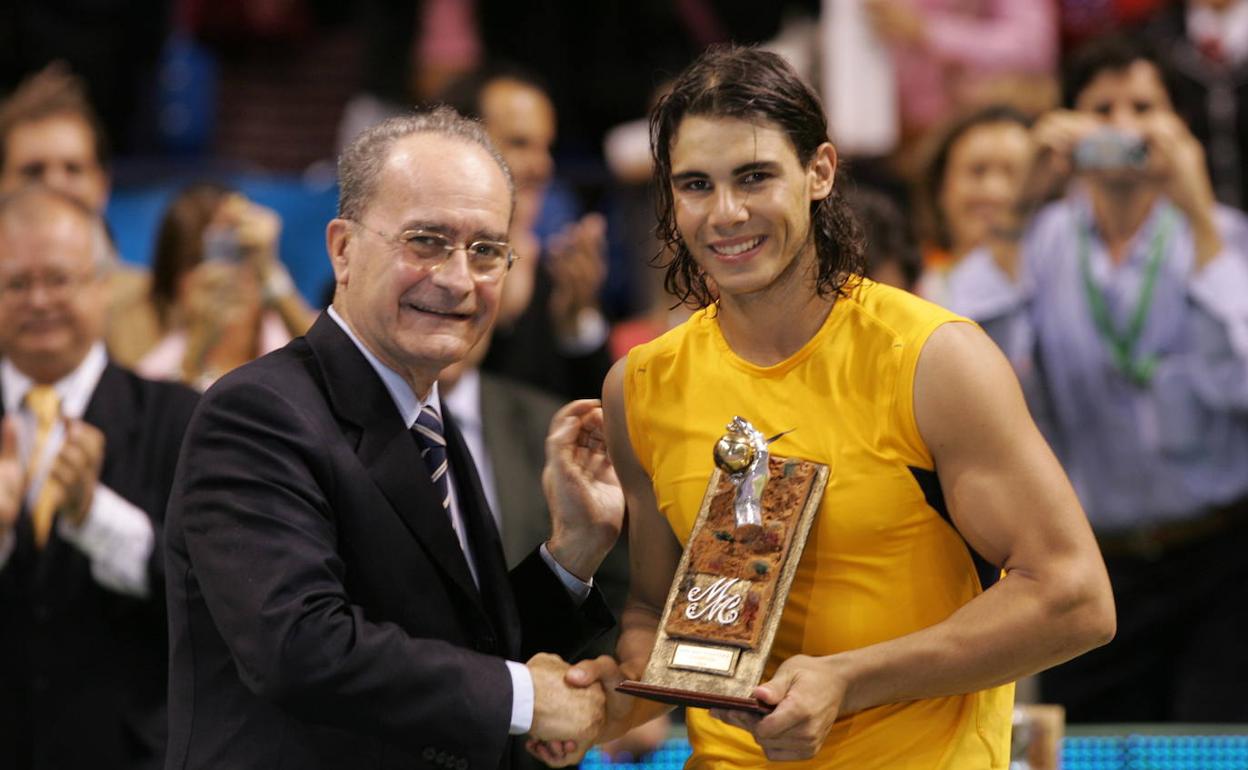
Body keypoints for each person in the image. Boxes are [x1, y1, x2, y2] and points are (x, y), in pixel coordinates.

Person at [533, 46, 1115, 769]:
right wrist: (603, 706)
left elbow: (1075, 599)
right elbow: (663, 618)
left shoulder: (933, 359)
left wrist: (848, 681)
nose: (726, 213)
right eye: (695, 184)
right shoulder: (640, 386)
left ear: (820, 172)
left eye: (754, 177)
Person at [164, 107, 625, 770]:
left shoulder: (428, 419)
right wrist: (524, 697)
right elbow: (298, 647)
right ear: (343, 249)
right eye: (426, 241)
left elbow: (461, 646)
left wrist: (570, 556)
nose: (458, 279)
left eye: (486, 250)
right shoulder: (255, 412)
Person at [944, 35, 1248, 723]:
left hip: (1225, 559)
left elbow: (1241, 387)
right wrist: (1019, 207)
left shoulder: (1224, 237)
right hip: (1094, 563)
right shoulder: (1041, 241)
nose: (1122, 126)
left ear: (1181, 126)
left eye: (1144, 106)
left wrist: (1198, 216)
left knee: (1217, 748)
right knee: (1097, 746)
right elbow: (958, 367)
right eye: (1100, 107)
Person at [0, 185, 199, 770]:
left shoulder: (181, 418)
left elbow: (211, 600)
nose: (39, 300)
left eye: (59, 279)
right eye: (15, 283)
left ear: (103, 284)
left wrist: (95, 518)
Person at [440, 64, 613, 401]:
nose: (542, 166)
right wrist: (492, 316)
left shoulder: (554, 279)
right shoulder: (408, 264)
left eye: (546, 147)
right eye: (520, 144)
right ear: (459, 142)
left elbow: (593, 418)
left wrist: (575, 322)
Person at [133, 183, 314, 389]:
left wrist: (272, 273)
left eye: (236, 252)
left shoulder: (299, 335)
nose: (222, 274)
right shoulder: (152, 379)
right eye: (197, 260)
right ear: (173, 281)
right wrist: (197, 350)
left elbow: (336, 367)